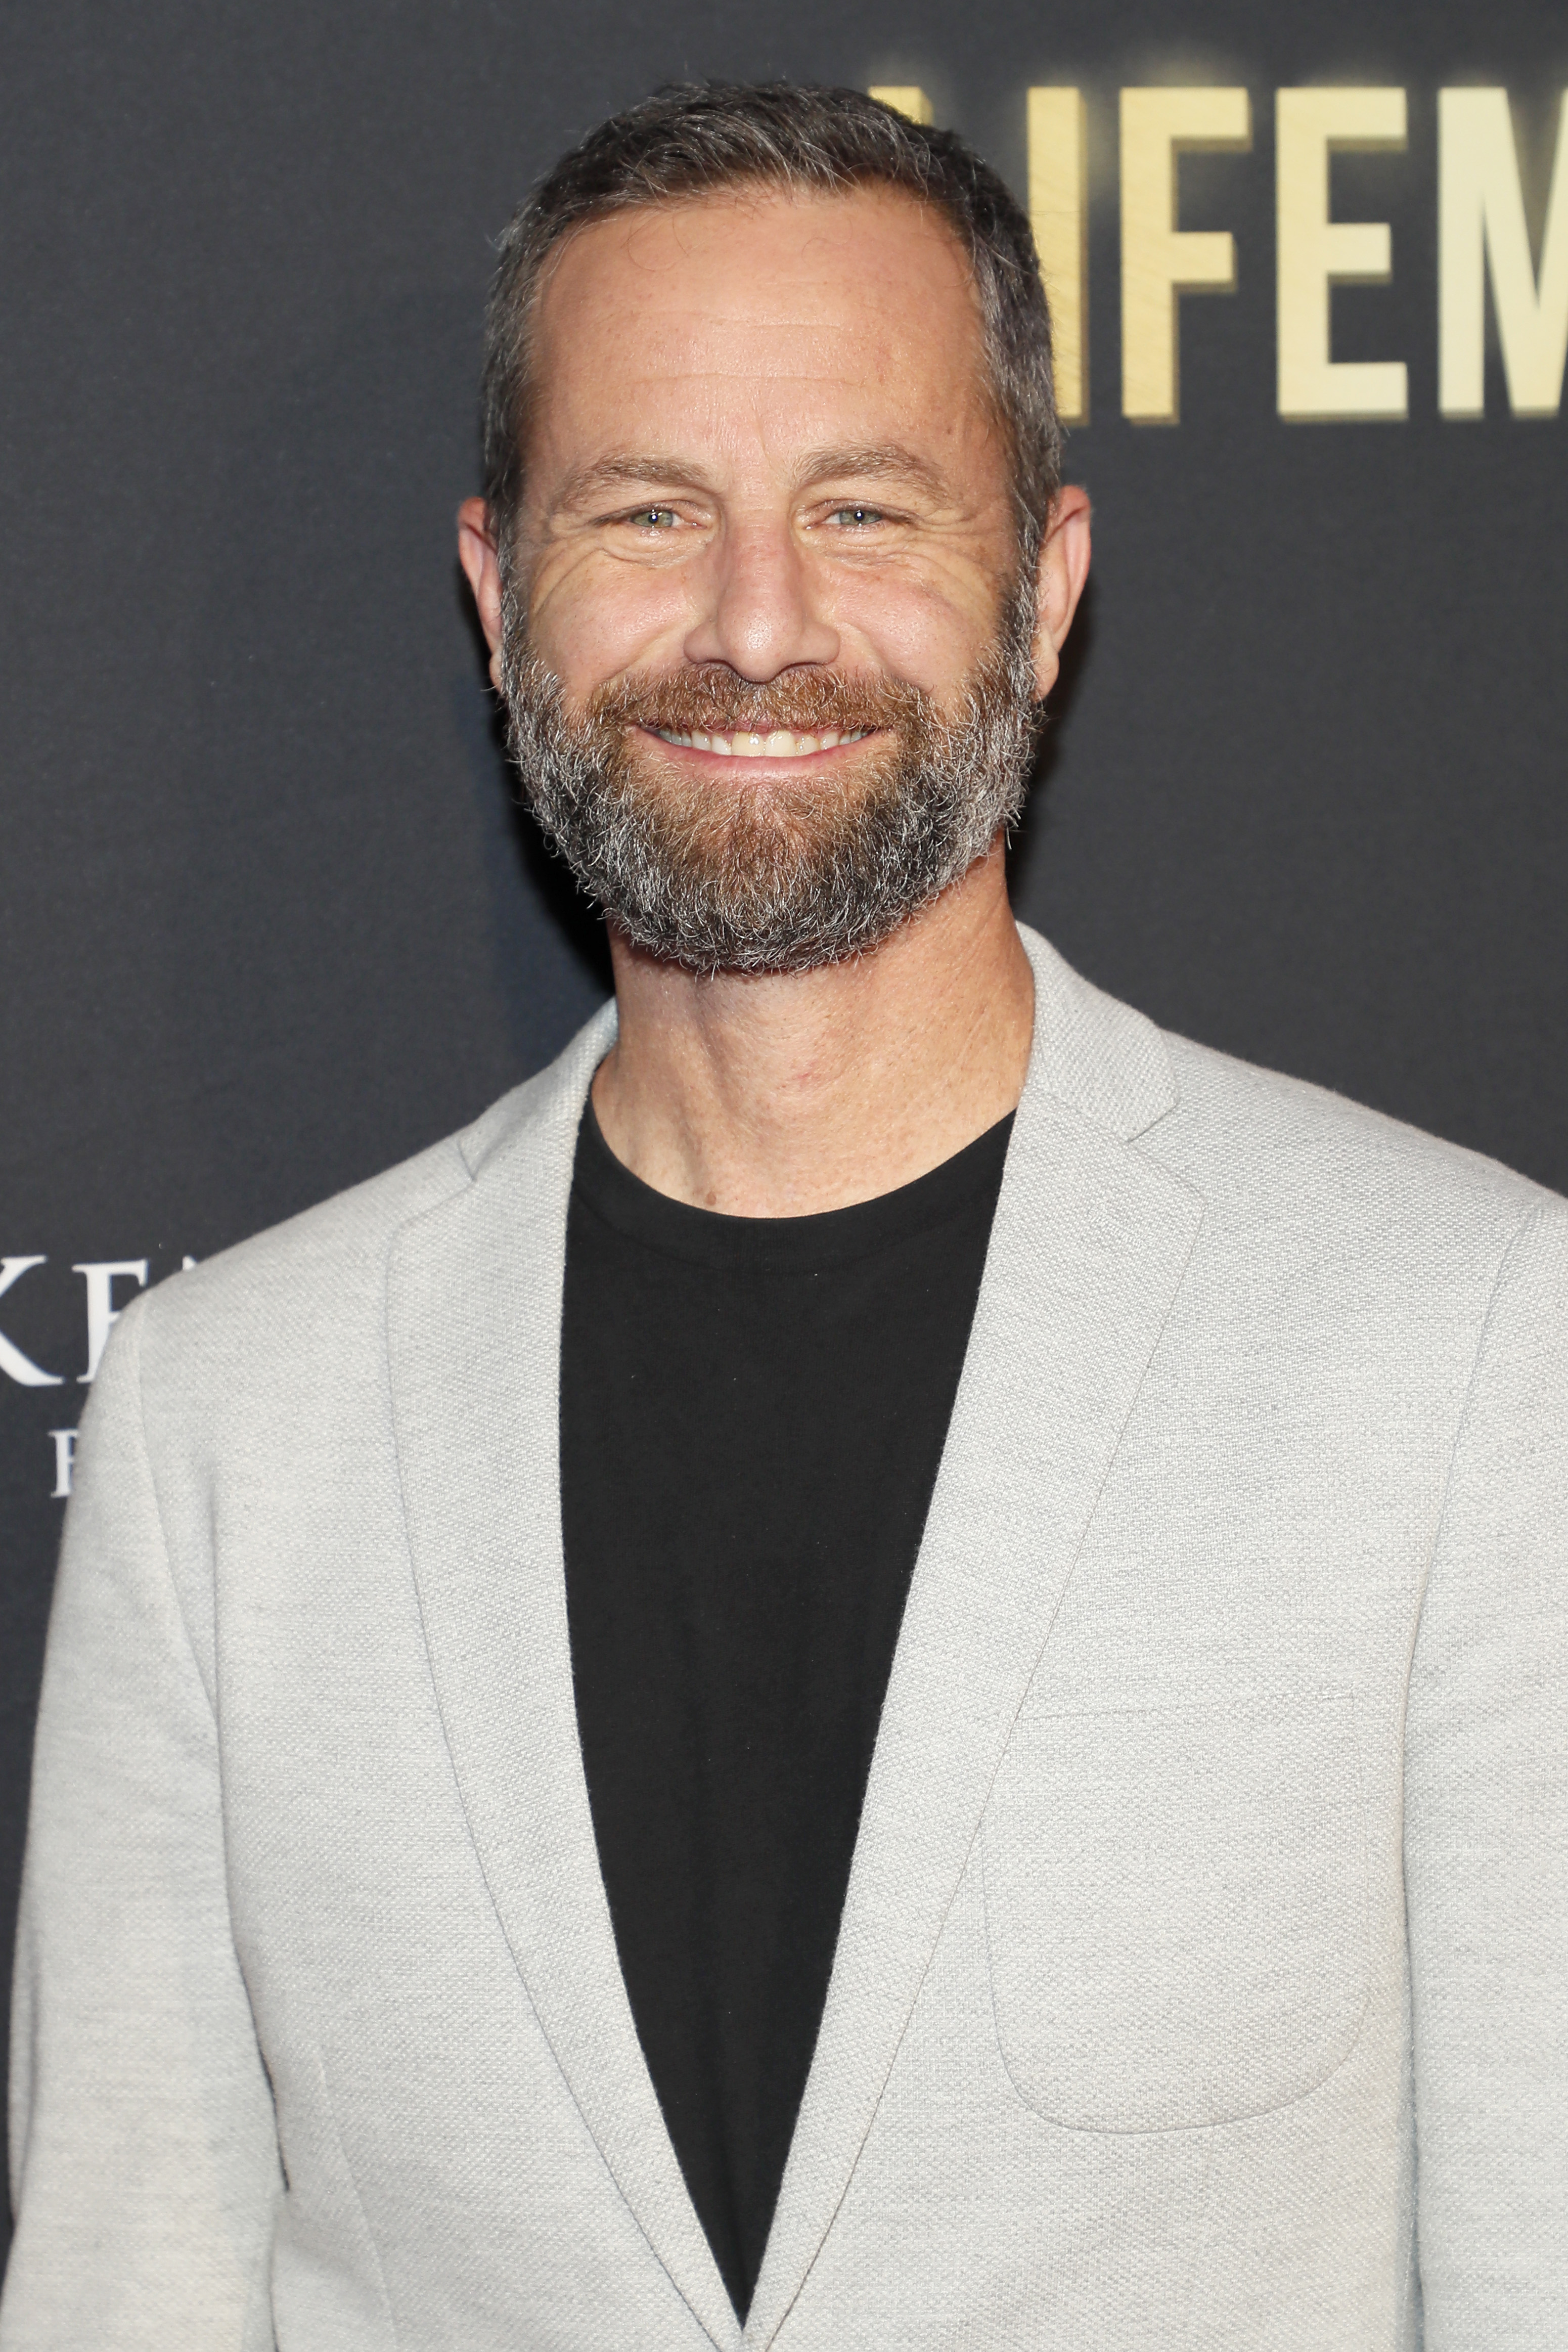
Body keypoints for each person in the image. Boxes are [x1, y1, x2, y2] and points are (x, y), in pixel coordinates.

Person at [3, 78, 1564, 2352]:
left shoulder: (1458, 1349)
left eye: (861, 508)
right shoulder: (226, 1426)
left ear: (1039, 590)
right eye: (645, 510)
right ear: (493, 592)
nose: (753, 623)